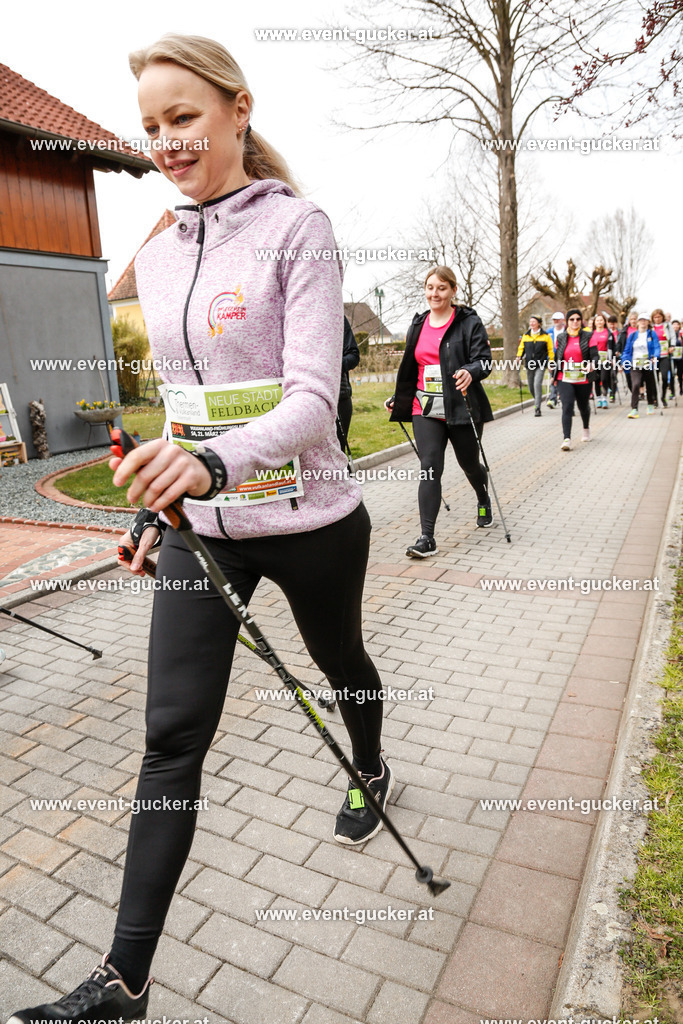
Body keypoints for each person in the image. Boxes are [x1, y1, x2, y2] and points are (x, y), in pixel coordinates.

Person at [7, 33, 395, 1024]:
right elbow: (180, 406)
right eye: (150, 128)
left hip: (307, 516)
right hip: (203, 526)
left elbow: (314, 398)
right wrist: (160, 498)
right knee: (170, 737)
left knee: (339, 658)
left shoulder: (298, 227)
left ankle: (371, 762)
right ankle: (125, 980)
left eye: (183, 117)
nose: (167, 141)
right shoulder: (163, 246)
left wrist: (219, 461)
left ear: (236, 108)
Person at [385, 265, 493, 558]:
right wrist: (400, 397)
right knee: (430, 467)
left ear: (453, 291)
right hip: (426, 408)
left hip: (461, 407)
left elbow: (484, 361)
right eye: (430, 287)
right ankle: (426, 537)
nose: (435, 293)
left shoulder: (468, 322)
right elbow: (413, 367)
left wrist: (471, 371)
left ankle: (482, 496)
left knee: (469, 463)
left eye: (442, 288)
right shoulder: (418, 324)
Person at [552, 308, 599, 451]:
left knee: (583, 406)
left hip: (583, 378)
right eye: (572, 319)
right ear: (567, 321)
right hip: (564, 377)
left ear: (581, 321)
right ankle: (566, 439)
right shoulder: (561, 337)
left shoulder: (588, 336)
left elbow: (595, 356)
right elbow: (557, 357)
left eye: (578, 319)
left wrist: (592, 364)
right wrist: (554, 373)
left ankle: (586, 427)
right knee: (567, 406)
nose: (575, 322)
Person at [622, 312, 660, 418]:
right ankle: (634, 409)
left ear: (648, 322)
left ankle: (650, 404)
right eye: (641, 320)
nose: (643, 322)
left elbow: (657, 347)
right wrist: (624, 360)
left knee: (649, 384)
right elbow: (627, 350)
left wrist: (655, 356)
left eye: (645, 320)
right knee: (636, 384)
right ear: (638, 322)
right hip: (635, 364)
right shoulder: (633, 335)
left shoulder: (652, 334)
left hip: (648, 363)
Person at [517, 315, 554, 416]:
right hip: (529, 364)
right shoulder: (526, 335)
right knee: (531, 387)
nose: (532, 323)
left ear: (539, 323)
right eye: (531, 321)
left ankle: (537, 408)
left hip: (541, 364)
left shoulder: (546, 336)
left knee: (537, 384)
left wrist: (551, 362)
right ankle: (538, 398)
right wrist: (518, 357)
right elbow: (521, 348)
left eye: (534, 322)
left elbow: (550, 351)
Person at [336, 315, 360, 451]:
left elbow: (353, 355)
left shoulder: (335, 315)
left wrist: (332, 366)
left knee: (338, 453)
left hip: (339, 397)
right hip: (302, 399)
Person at [651, 308, 676, 407]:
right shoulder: (651, 328)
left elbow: (673, 336)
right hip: (654, 356)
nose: (657, 319)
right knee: (654, 378)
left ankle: (663, 396)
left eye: (659, 317)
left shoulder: (667, 326)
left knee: (665, 377)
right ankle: (655, 399)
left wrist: (672, 346)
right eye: (655, 317)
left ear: (662, 317)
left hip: (665, 355)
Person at [591, 311, 616, 408]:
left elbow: (613, 347)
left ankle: (605, 398)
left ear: (604, 322)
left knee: (604, 378)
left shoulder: (608, 333)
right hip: (595, 359)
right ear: (595, 322)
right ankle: (598, 399)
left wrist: (613, 358)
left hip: (605, 359)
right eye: (597, 320)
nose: (599, 322)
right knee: (596, 379)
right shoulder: (591, 334)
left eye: (601, 320)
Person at [546, 311, 565, 408]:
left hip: (565, 359)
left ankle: (563, 396)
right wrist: (548, 361)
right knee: (554, 378)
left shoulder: (567, 331)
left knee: (564, 379)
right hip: (553, 359)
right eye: (554, 320)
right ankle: (553, 399)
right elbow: (546, 347)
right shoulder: (549, 332)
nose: (556, 321)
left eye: (558, 319)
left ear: (562, 320)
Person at [617, 310, 639, 393]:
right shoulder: (624, 330)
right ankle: (633, 391)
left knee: (638, 375)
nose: (633, 321)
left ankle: (640, 390)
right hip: (627, 355)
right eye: (632, 319)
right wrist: (618, 350)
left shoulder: (641, 330)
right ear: (629, 320)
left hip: (638, 355)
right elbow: (620, 342)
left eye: (635, 319)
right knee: (628, 376)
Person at [672, 319, 683, 395]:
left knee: (680, 373)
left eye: (677, 324)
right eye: (674, 324)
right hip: (672, 357)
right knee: (672, 373)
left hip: (680, 356)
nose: (676, 326)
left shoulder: (681, 334)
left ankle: (681, 388)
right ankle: (672, 391)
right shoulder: (669, 334)